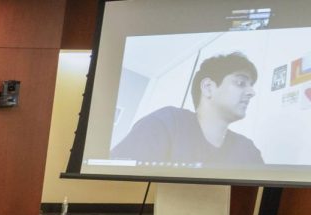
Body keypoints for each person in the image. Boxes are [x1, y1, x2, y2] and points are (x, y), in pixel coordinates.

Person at [110, 52, 264, 166]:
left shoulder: (247, 149)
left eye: (251, 86)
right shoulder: (166, 123)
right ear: (208, 87)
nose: (252, 92)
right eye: (240, 83)